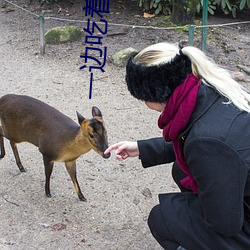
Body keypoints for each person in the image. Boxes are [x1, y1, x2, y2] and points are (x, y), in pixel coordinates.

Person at [104, 42, 250, 250]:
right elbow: (194, 139)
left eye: (143, 98)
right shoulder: (209, 88)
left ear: (155, 93)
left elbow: (225, 224)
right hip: (241, 187)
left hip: (241, 222)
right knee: (181, 170)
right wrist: (142, 148)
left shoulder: (207, 142)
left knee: (162, 218)